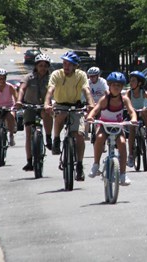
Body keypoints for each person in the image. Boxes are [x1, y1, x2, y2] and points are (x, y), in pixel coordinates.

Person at [44, 51, 95, 181]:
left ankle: (79, 165)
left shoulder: (81, 75)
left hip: (76, 105)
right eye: (64, 63)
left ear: (75, 66)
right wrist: (47, 103)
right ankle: (56, 140)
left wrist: (90, 104)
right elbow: (50, 90)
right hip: (60, 104)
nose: (66, 66)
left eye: (69, 64)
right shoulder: (57, 74)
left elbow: (86, 90)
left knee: (79, 135)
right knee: (61, 114)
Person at [86, 72, 137, 185]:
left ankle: (123, 174)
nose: (116, 87)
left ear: (122, 87)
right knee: (99, 138)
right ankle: (96, 165)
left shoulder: (124, 99)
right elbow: (96, 109)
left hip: (118, 126)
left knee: (122, 143)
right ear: (109, 85)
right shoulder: (105, 99)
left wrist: (133, 118)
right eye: (114, 85)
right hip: (104, 125)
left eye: (119, 85)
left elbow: (131, 111)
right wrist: (90, 117)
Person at [15, 53, 54, 171]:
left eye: (45, 66)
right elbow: (22, 89)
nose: (43, 68)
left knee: (46, 114)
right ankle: (29, 161)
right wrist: (19, 101)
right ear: (36, 66)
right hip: (29, 105)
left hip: (44, 106)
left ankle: (48, 138)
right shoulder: (28, 77)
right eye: (40, 65)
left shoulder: (51, 78)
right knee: (28, 134)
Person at [125, 71, 147, 167]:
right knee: (131, 132)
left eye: (133, 81)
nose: (131, 83)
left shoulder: (143, 92)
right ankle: (130, 155)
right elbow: (124, 100)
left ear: (139, 83)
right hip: (132, 114)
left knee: (145, 110)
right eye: (130, 81)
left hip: (141, 113)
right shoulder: (129, 93)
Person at [85, 66, 109, 140]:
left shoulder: (102, 82)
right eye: (90, 76)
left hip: (100, 103)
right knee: (86, 115)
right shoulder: (87, 82)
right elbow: (83, 94)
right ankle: (85, 134)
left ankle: (102, 138)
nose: (91, 78)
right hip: (91, 103)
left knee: (101, 118)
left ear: (98, 76)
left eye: (93, 76)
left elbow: (107, 92)